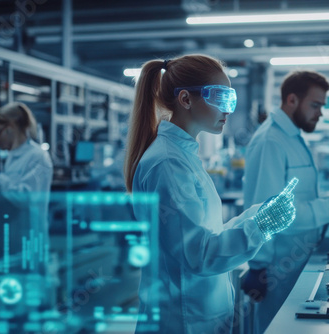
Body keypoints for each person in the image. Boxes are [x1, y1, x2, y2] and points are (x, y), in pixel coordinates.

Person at [124, 54, 298, 334]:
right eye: (219, 97)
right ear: (185, 99)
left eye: (231, 99)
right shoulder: (168, 163)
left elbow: (206, 235)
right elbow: (199, 255)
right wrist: (260, 227)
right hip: (181, 320)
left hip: (196, 315)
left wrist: (258, 215)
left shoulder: (182, 155)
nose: (227, 110)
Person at [242, 70, 329, 333]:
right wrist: (258, 266)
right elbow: (268, 212)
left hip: (294, 260)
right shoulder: (271, 141)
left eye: (321, 106)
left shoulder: (290, 137)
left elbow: (296, 198)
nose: (320, 113)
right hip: (276, 268)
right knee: (274, 328)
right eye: (315, 105)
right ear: (292, 100)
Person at [0, 102, 53, 271]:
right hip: (11, 239)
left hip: (30, 241)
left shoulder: (39, 157)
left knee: (29, 291)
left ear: (10, 127)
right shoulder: (12, 157)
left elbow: (25, 198)